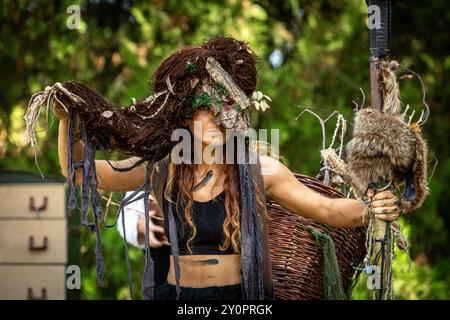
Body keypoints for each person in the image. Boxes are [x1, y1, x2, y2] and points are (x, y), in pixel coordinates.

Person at [46, 36, 401, 300]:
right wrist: (68, 120)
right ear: (184, 114)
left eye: (226, 106)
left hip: (238, 300)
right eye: (206, 107)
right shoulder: (163, 168)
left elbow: (327, 209)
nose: (218, 117)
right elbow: (80, 172)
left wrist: (371, 210)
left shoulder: (259, 170)